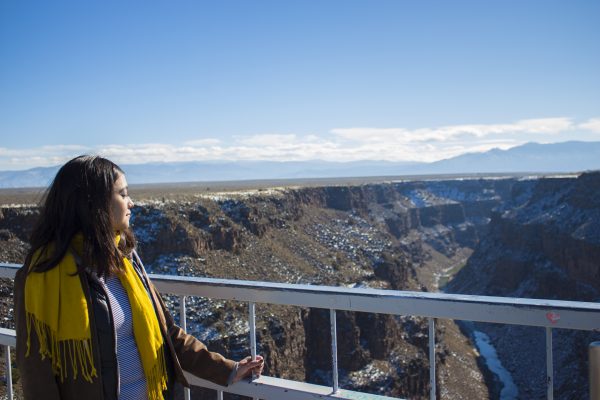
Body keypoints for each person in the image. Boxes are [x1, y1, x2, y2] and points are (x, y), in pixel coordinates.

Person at [14, 155, 264, 400]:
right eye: (122, 194)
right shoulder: (41, 279)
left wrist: (228, 369)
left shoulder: (126, 264)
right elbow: (37, 376)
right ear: (94, 204)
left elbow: (168, 335)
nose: (131, 202)